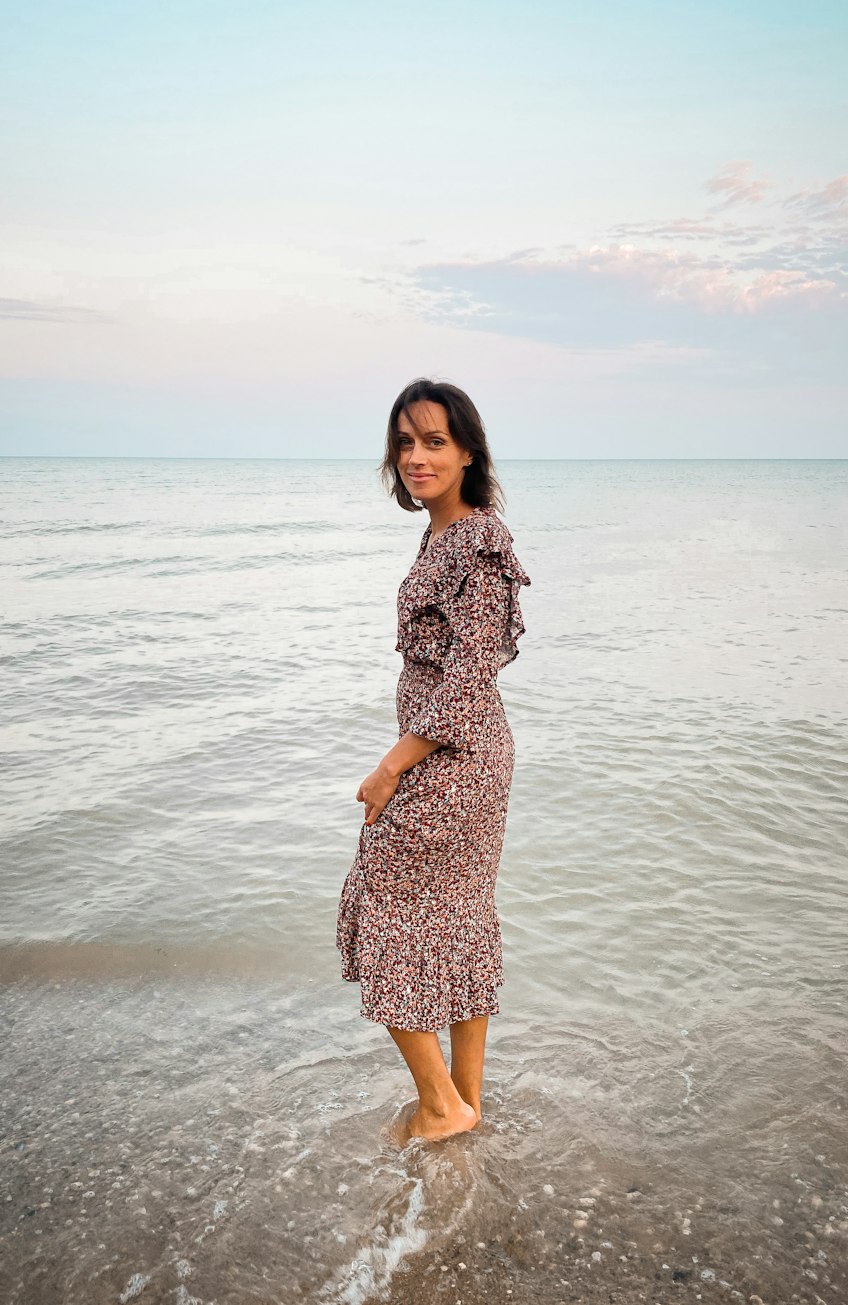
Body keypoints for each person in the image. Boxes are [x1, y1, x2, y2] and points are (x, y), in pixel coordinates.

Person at [335, 376, 532, 1143]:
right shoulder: (442, 534)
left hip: (456, 759)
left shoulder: (479, 541)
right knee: (455, 914)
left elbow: (471, 673)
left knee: (383, 897)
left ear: (468, 452)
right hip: (463, 754)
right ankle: (465, 1101)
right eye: (405, 442)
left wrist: (392, 765)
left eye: (434, 442)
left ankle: (443, 1106)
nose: (415, 457)